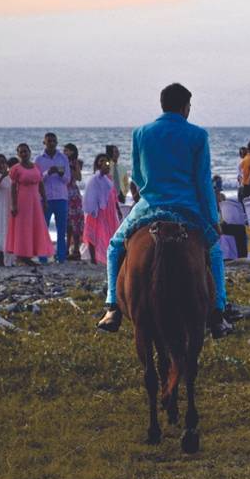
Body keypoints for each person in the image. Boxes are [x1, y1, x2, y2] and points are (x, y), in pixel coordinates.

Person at [96, 83, 231, 337]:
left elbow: (137, 175)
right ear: (185, 107)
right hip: (187, 209)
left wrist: (151, 191)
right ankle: (217, 313)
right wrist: (212, 218)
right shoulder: (198, 135)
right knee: (213, 251)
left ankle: (112, 306)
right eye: (189, 106)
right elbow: (203, 181)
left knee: (114, 246)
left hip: (149, 207)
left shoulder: (141, 133)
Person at [7, 143, 53, 265]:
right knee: (23, 228)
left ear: (29, 152)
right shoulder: (16, 169)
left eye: (25, 151)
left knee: (35, 226)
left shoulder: (36, 167)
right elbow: (13, 187)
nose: (23, 154)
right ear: (18, 154)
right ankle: (22, 255)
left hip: (35, 201)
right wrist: (13, 204)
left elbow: (41, 184)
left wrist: (45, 199)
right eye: (21, 152)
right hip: (22, 200)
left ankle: (31, 254)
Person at [36, 133, 70, 263]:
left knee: (62, 230)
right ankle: (43, 256)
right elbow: (37, 179)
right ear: (44, 142)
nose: (51, 143)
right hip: (45, 198)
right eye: (49, 141)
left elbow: (68, 179)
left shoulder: (63, 158)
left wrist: (60, 173)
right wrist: (47, 173)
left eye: (54, 141)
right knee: (43, 229)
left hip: (61, 197)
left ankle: (61, 257)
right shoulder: (39, 159)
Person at [83, 154, 120, 265]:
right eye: (102, 161)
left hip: (108, 210)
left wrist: (117, 208)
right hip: (96, 210)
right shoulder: (94, 179)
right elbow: (89, 195)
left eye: (107, 162)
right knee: (93, 233)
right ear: (98, 164)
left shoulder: (107, 179)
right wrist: (92, 210)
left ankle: (108, 256)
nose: (105, 164)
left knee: (108, 232)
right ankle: (94, 259)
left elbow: (113, 195)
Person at [64, 143, 85, 260]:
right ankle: (66, 249)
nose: (65, 153)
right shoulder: (61, 161)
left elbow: (79, 177)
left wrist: (72, 168)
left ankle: (76, 249)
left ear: (72, 151)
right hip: (64, 192)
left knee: (76, 223)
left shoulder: (76, 162)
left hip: (73, 193)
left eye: (67, 150)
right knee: (67, 225)